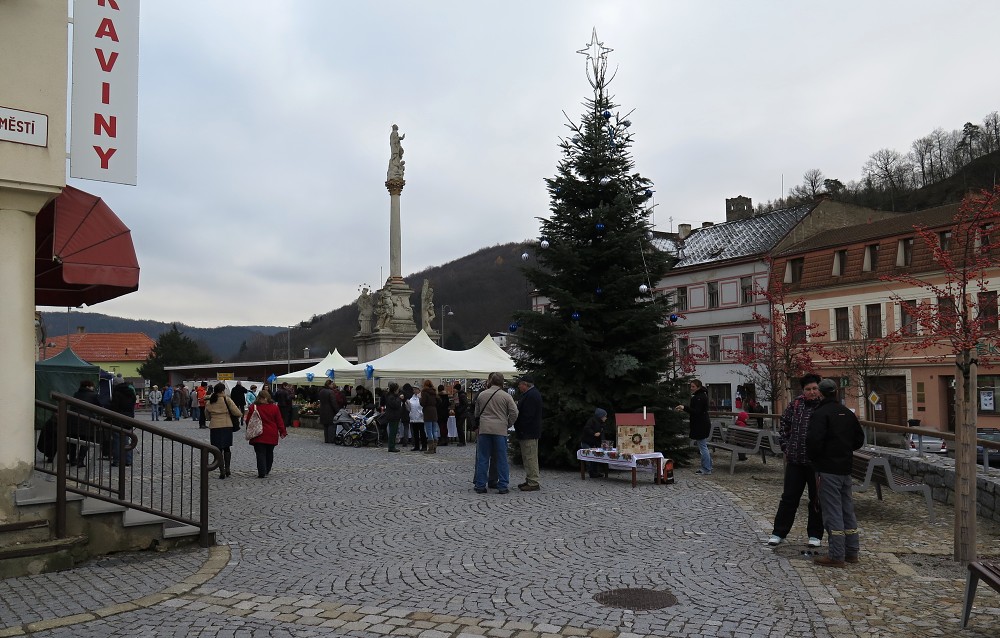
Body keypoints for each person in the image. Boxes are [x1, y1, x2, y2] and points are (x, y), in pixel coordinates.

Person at [807, 378, 865, 567]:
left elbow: (813, 442)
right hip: (845, 468)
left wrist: (816, 458)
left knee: (832, 511)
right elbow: (859, 439)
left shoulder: (820, 413)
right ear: (836, 392)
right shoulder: (847, 413)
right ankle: (852, 552)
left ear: (821, 393)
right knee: (847, 510)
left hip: (827, 469)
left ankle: (836, 555)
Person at [768, 373, 825, 548]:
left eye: (815, 388)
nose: (812, 392)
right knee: (789, 498)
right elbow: (784, 426)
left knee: (816, 500)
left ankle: (815, 535)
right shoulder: (795, 405)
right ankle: (779, 532)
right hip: (795, 460)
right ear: (803, 390)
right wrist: (787, 447)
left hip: (816, 463)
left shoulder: (824, 406)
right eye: (808, 389)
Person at [473, 372, 519, 494]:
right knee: (501, 459)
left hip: (484, 429)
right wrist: (507, 423)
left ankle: (480, 485)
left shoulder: (482, 395)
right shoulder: (506, 396)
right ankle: (503, 485)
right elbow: (514, 412)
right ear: (502, 382)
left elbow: (476, 413)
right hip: (500, 430)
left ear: (490, 381)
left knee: (483, 458)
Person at [245, 389, 287, 478]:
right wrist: (282, 431)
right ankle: (267, 469)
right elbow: (279, 421)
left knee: (260, 453)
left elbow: (249, 420)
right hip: (271, 433)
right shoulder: (274, 407)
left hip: (258, 433)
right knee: (269, 452)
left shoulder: (253, 407)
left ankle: (261, 472)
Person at [205, 382, 241, 479]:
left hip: (214, 426)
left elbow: (207, 415)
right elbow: (237, 412)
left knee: (218, 450)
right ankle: (227, 469)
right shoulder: (226, 399)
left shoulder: (210, 401)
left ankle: (221, 471)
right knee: (227, 448)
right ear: (222, 390)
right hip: (226, 425)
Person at [675, 379, 712, 475]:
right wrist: (684, 409)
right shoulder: (700, 396)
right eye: (690, 386)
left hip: (701, 424)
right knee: (703, 447)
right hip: (701, 424)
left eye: (693, 387)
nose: (691, 388)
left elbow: (697, 412)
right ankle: (707, 467)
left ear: (698, 387)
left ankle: (707, 468)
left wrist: (684, 408)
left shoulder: (699, 397)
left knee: (703, 447)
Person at [513, 375, 543, 491]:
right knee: (528, 456)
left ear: (525, 384)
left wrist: (520, 426)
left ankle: (533, 481)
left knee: (530, 457)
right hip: (529, 431)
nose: (519, 386)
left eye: (520, 384)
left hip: (528, 432)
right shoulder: (531, 394)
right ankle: (530, 478)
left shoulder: (531, 395)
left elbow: (527, 415)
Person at [109, 377, 136, 467]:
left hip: (118, 418)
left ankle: (117, 460)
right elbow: (133, 406)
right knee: (127, 440)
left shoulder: (117, 393)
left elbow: (114, 407)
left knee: (117, 440)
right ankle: (128, 460)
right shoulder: (131, 392)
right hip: (129, 418)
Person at [581, 408, 608, 478]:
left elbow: (602, 435)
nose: (606, 418)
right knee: (589, 457)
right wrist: (594, 433)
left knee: (596, 457)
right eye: (605, 416)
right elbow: (586, 428)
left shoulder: (602, 424)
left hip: (594, 443)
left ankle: (596, 472)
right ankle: (591, 473)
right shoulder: (591, 421)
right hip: (586, 442)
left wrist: (603, 444)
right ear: (601, 416)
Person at [383, 382, 403, 453]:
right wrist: (399, 398)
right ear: (395, 389)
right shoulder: (391, 397)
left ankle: (392, 446)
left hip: (394, 415)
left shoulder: (391, 396)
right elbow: (395, 405)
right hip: (393, 416)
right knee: (393, 432)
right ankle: (391, 446)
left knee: (393, 431)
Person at [420, 380, 439, 454]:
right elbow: (439, 401)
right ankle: (434, 447)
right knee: (434, 430)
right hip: (434, 411)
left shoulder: (424, 392)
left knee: (429, 430)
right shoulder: (434, 392)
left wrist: (420, 400)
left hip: (428, 411)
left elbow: (423, 403)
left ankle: (431, 448)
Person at [453, 382, 468, 447]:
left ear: (457, 389)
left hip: (462, 414)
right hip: (460, 413)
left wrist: (459, 410)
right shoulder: (458, 394)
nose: (454, 390)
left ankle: (462, 441)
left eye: (455, 389)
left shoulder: (461, 395)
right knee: (459, 427)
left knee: (459, 427)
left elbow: (465, 404)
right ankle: (461, 441)